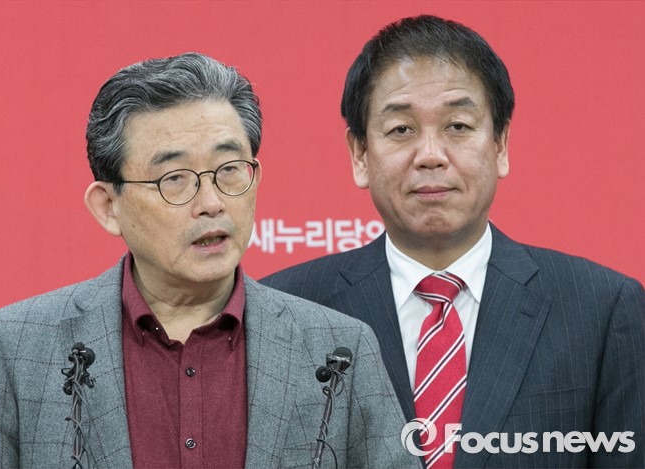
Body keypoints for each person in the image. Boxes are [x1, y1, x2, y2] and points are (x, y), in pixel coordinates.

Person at [0, 52, 419, 469]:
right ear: (108, 207)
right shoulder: (13, 350)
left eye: (229, 170)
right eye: (174, 178)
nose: (211, 202)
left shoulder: (338, 347)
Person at [262, 15, 645, 468]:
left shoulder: (602, 310)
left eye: (458, 126)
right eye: (401, 129)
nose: (430, 155)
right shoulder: (284, 313)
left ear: (500, 144)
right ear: (360, 154)